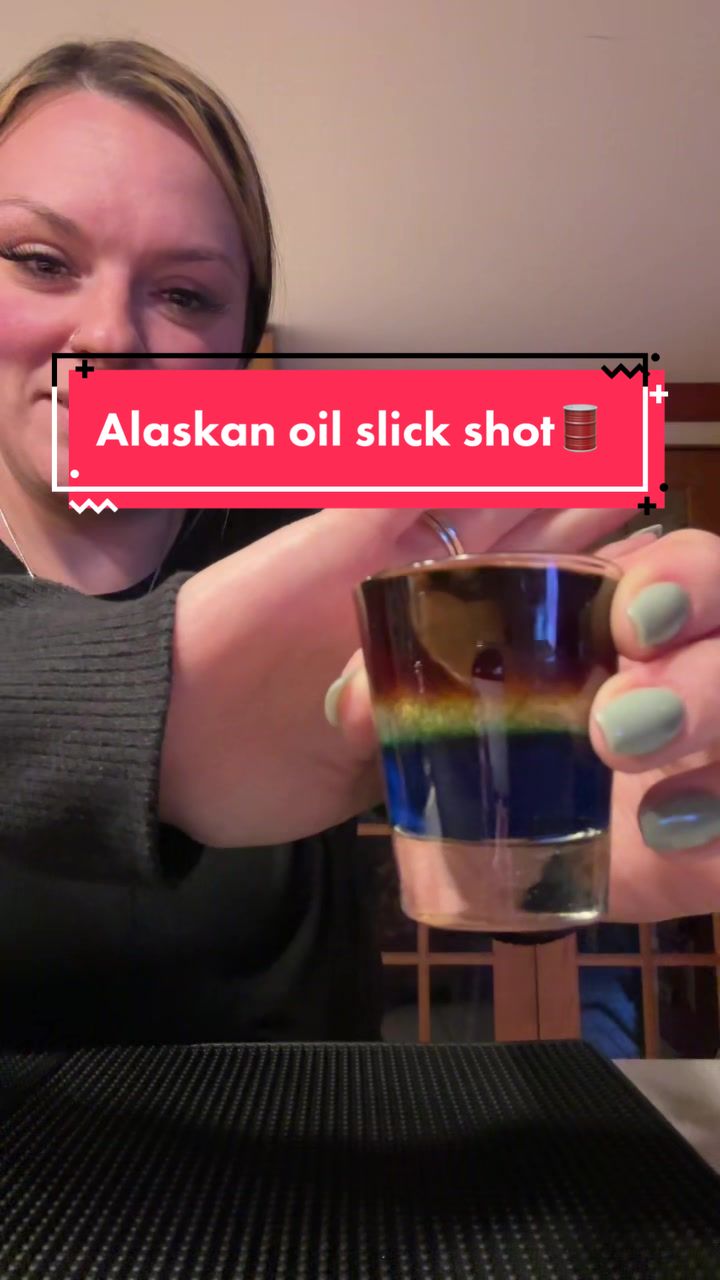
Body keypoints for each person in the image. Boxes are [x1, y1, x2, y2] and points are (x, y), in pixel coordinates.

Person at [0, 39, 718, 1051]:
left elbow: (491, 866)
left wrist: (544, 826)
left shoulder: (335, 560)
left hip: (320, 1144)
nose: (108, 339)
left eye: (186, 295)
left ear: (238, 346)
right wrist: (148, 701)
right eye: (40, 261)